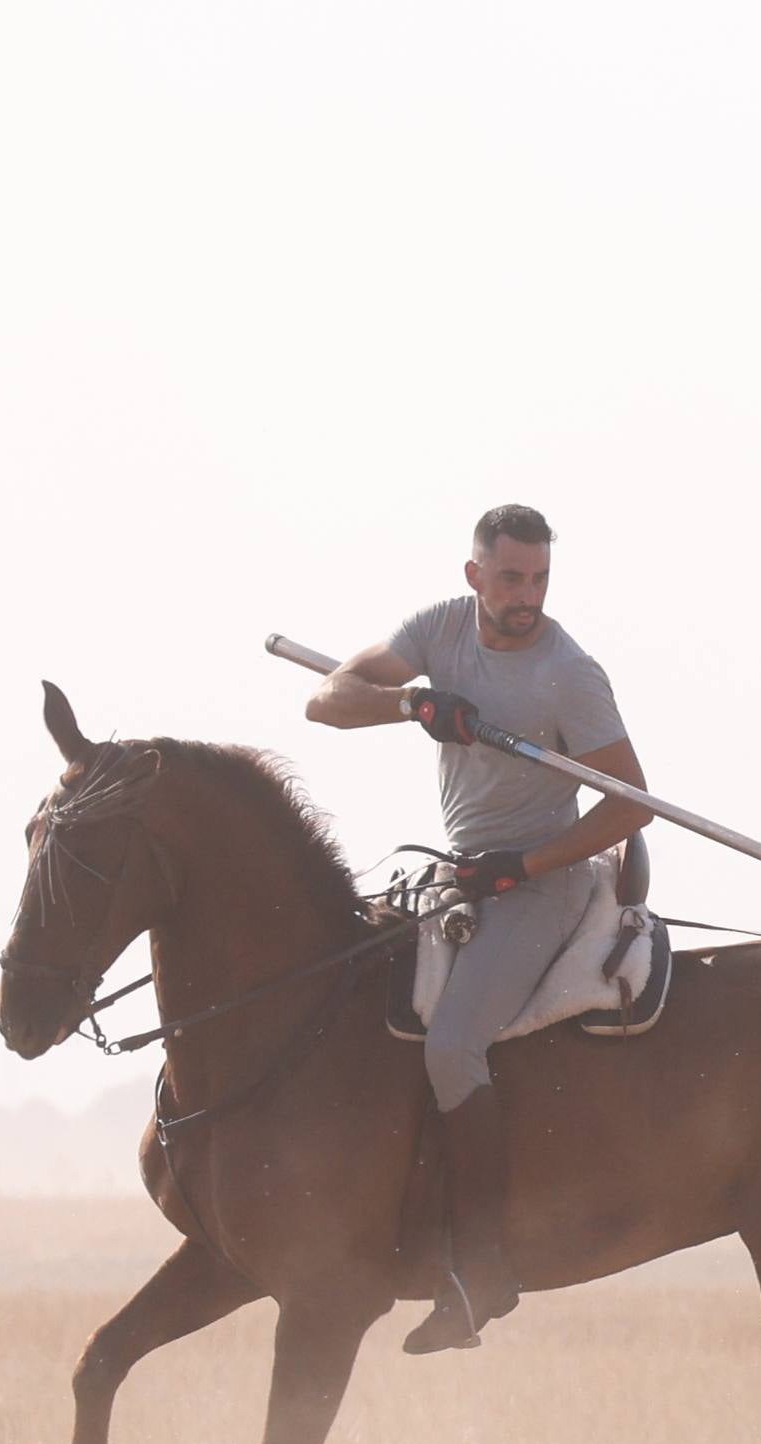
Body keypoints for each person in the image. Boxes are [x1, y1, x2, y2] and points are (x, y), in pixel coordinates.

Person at [305, 504, 651, 1353]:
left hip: (543, 880)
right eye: (508, 578)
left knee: (451, 1046)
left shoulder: (568, 673)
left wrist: (521, 869)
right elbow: (327, 700)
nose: (524, 595)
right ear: (473, 578)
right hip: (460, 871)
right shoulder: (438, 630)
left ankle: (486, 1270)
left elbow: (630, 802)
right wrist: (417, 707)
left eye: (537, 579)